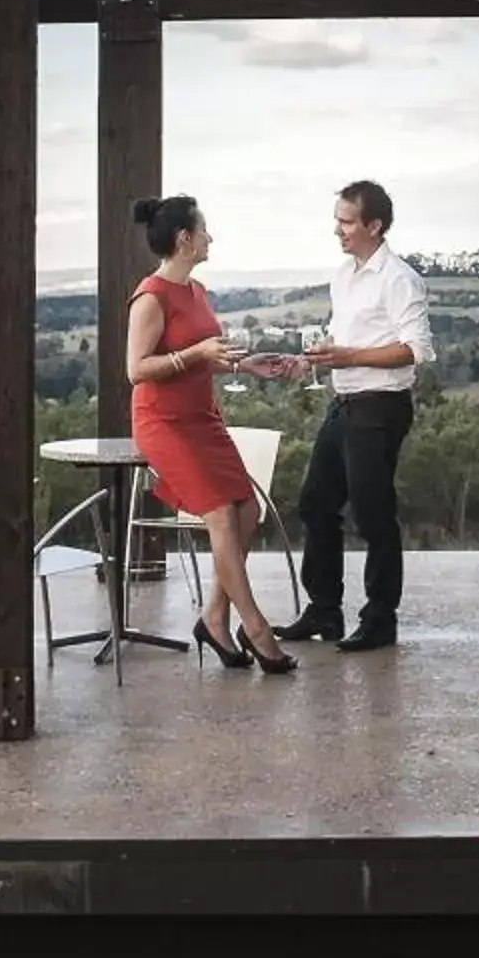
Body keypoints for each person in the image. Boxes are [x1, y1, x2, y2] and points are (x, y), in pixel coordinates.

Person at [124, 194, 296, 673]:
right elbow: (137, 369)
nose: (210, 238)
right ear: (185, 239)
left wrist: (250, 364)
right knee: (220, 515)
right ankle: (256, 628)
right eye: (204, 230)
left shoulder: (196, 292)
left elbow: (207, 354)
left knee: (248, 510)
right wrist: (196, 355)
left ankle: (214, 617)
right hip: (164, 423)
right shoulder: (151, 296)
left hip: (202, 416)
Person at [276, 179, 431, 653]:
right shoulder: (343, 277)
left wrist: (349, 357)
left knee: (373, 515)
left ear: (374, 225)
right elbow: (342, 343)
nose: (338, 230)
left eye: (346, 221)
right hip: (344, 404)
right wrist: (312, 361)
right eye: (337, 220)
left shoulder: (400, 278)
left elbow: (415, 350)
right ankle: (324, 610)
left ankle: (380, 619)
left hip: (380, 408)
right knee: (315, 504)